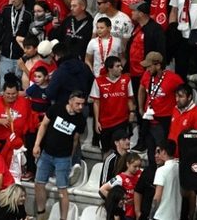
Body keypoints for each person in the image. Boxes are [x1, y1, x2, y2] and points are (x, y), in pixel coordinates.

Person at [33, 91, 86, 220]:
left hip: (63, 158)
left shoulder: (81, 120)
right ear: (70, 101)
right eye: (78, 103)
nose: (80, 107)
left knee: (62, 190)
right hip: (46, 153)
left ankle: (63, 218)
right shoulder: (56, 108)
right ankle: (41, 213)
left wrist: (70, 158)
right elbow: (44, 125)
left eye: (82, 104)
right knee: (39, 183)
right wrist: (37, 144)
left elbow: (75, 140)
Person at [137, 52, 183, 165]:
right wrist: (140, 108)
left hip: (163, 121)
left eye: (149, 66)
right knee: (150, 151)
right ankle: (153, 176)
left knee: (162, 153)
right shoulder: (146, 75)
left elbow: (184, 93)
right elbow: (141, 89)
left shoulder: (173, 78)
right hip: (148, 119)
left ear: (158, 65)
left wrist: (179, 113)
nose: (147, 69)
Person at [90, 56, 136, 154]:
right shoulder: (98, 81)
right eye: (118, 66)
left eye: (121, 66)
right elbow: (96, 102)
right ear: (110, 68)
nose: (121, 68)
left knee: (121, 151)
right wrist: (97, 122)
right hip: (105, 123)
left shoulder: (126, 79)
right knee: (106, 151)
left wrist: (132, 113)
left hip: (121, 121)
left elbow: (129, 98)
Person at [99, 152, 143, 220]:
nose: (137, 169)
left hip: (139, 210)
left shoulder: (141, 174)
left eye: (139, 166)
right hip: (126, 214)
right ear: (128, 164)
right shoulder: (120, 178)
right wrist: (116, 200)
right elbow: (102, 189)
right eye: (135, 166)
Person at [150, 140, 181, 220]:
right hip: (175, 216)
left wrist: (151, 216)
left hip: (161, 215)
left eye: (159, 151)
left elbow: (157, 196)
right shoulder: (179, 168)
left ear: (164, 152)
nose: (158, 154)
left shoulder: (161, 170)